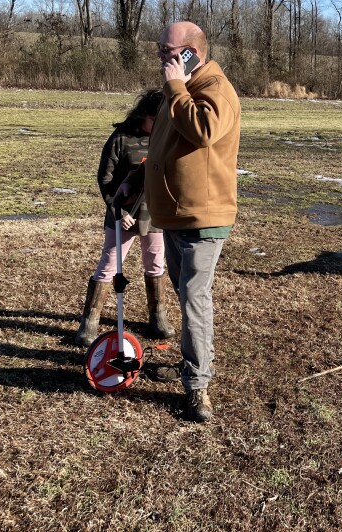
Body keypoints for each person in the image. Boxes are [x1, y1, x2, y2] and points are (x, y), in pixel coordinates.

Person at [119, 21, 240, 423]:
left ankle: (198, 387)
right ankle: (196, 364)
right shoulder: (182, 90)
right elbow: (164, 144)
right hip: (175, 212)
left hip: (202, 217)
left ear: (189, 51)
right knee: (188, 296)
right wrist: (136, 182)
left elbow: (203, 130)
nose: (159, 57)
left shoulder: (214, 88)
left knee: (193, 299)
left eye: (165, 50)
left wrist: (176, 86)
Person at [74, 90, 174, 347]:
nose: (162, 125)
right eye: (157, 120)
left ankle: (158, 317)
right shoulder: (120, 139)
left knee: (156, 264)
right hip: (124, 217)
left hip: (154, 217)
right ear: (144, 115)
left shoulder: (164, 139)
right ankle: (90, 321)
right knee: (108, 265)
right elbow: (105, 179)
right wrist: (118, 211)